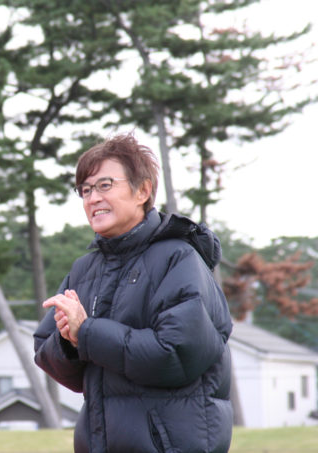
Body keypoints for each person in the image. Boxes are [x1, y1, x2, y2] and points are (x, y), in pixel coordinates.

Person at [34, 133, 233, 452]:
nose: (92, 198)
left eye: (104, 185)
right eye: (85, 190)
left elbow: (176, 355)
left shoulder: (179, 259)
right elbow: (47, 351)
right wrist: (69, 341)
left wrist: (86, 333)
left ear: (143, 190)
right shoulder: (84, 269)